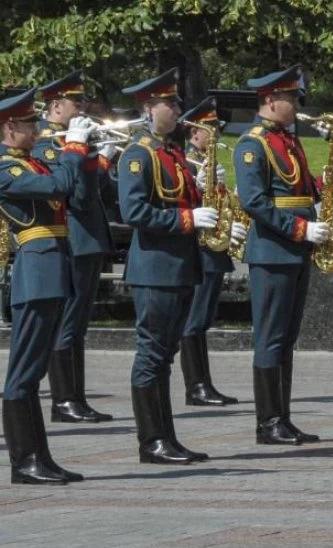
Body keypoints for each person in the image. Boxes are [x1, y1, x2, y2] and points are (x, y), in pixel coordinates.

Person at [118, 69, 220, 464]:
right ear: (148, 108)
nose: (178, 109)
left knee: (164, 356)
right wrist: (187, 220)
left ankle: (166, 436)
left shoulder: (170, 152)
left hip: (178, 265)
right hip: (155, 268)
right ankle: (151, 440)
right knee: (151, 353)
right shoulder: (138, 154)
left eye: (177, 103)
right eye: (171, 103)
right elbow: (134, 210)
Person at [0, 89, 96, 484]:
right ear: (9, 128)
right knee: (23, 372)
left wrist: (84, 155)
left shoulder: (33, 163)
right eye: (29, 125)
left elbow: (76, 192)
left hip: (54, 264)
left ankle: (40, 456)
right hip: (36, 269)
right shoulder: (7, 168)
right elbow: (55, 189)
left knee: (34, 369)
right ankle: (24, 462)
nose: (37, 130)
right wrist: (73, 145)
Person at [234, 64, 333, 445]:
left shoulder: (287, 141)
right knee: (270, 338)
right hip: (273, 250)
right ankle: (267, 422)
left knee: (286, 338)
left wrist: (326, 187)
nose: (296, 104)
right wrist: (299, 227)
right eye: (291, 98)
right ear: (271, 100)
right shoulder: (252, 144)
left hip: (295, 250)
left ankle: (283, 417)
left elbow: (302, 190)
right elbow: (255, 201)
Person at [35, 70, 114, 424]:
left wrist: (102, 161)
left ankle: (76, 397)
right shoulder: (47, 145)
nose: (83, 106)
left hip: (88, 239)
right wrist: (89, 157)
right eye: (76, 101)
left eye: (83, 100)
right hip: (72, 238)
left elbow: (99, 193)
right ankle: (64, 400)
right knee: (67, 324)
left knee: (77, 324)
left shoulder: (70, 141)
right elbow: (77, 197)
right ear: (55, 106)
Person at [180, 96, 243, 408]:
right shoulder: (188, 163)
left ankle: (203, 383)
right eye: (211, 129)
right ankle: (196, 386)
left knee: (203, 319)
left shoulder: (210, 162)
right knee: (194, 319)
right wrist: (197, 180)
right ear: (194, 133)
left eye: (218, 128)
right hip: (198, 249)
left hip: (214, 248)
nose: (216, 134)